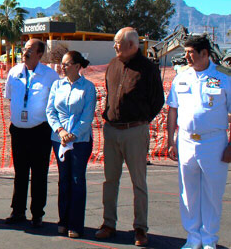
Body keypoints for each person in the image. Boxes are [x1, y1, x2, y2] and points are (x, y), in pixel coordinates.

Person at [96, 27, 164, 246]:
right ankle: (108, 224)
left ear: (132, 45)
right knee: (110, 181)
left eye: (117, 42)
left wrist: (142, 120)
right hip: (111, 130)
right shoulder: (113, 65)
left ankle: (140, 229)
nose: (114, 46)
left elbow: (158, 101)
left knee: (139, 183)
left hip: (135, 131)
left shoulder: (148, 69)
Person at [166, 35, 231, 249]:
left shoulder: (224, 78)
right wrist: (170, 140)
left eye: (190, 53)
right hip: (185, 141)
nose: (186, 57)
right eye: (185, 53)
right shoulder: (181, 77)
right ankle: (193, 238)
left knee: (213, 193)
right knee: (188, 192)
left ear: (205, 53)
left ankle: (210, 239)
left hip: (214, 142)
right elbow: (172, 110)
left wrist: (230, 145)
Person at [4, 38, 59, 227]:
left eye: (29, 49)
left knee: (39, 173)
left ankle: (37, 214)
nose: (25, 52)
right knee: (20, 173)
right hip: (18, 131)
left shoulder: (50, 76)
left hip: (40, 131)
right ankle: (17, 211)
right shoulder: (13, 73)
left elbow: (55, 103)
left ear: (39, 54)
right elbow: (9, 97)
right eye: (24, 48)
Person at [46, 51, 96, 238]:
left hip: (80, 141)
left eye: (66, 64)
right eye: (62, 63)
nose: (62, 67)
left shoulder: (88, 88)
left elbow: (87, 115)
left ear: (77, 66)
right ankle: (63, 220)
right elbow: (50, 110)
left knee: (77, 180)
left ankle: (75, 224)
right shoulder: (57, 85)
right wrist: (61, 131)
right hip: (59, 139)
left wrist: (73, 134)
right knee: (63, 180)